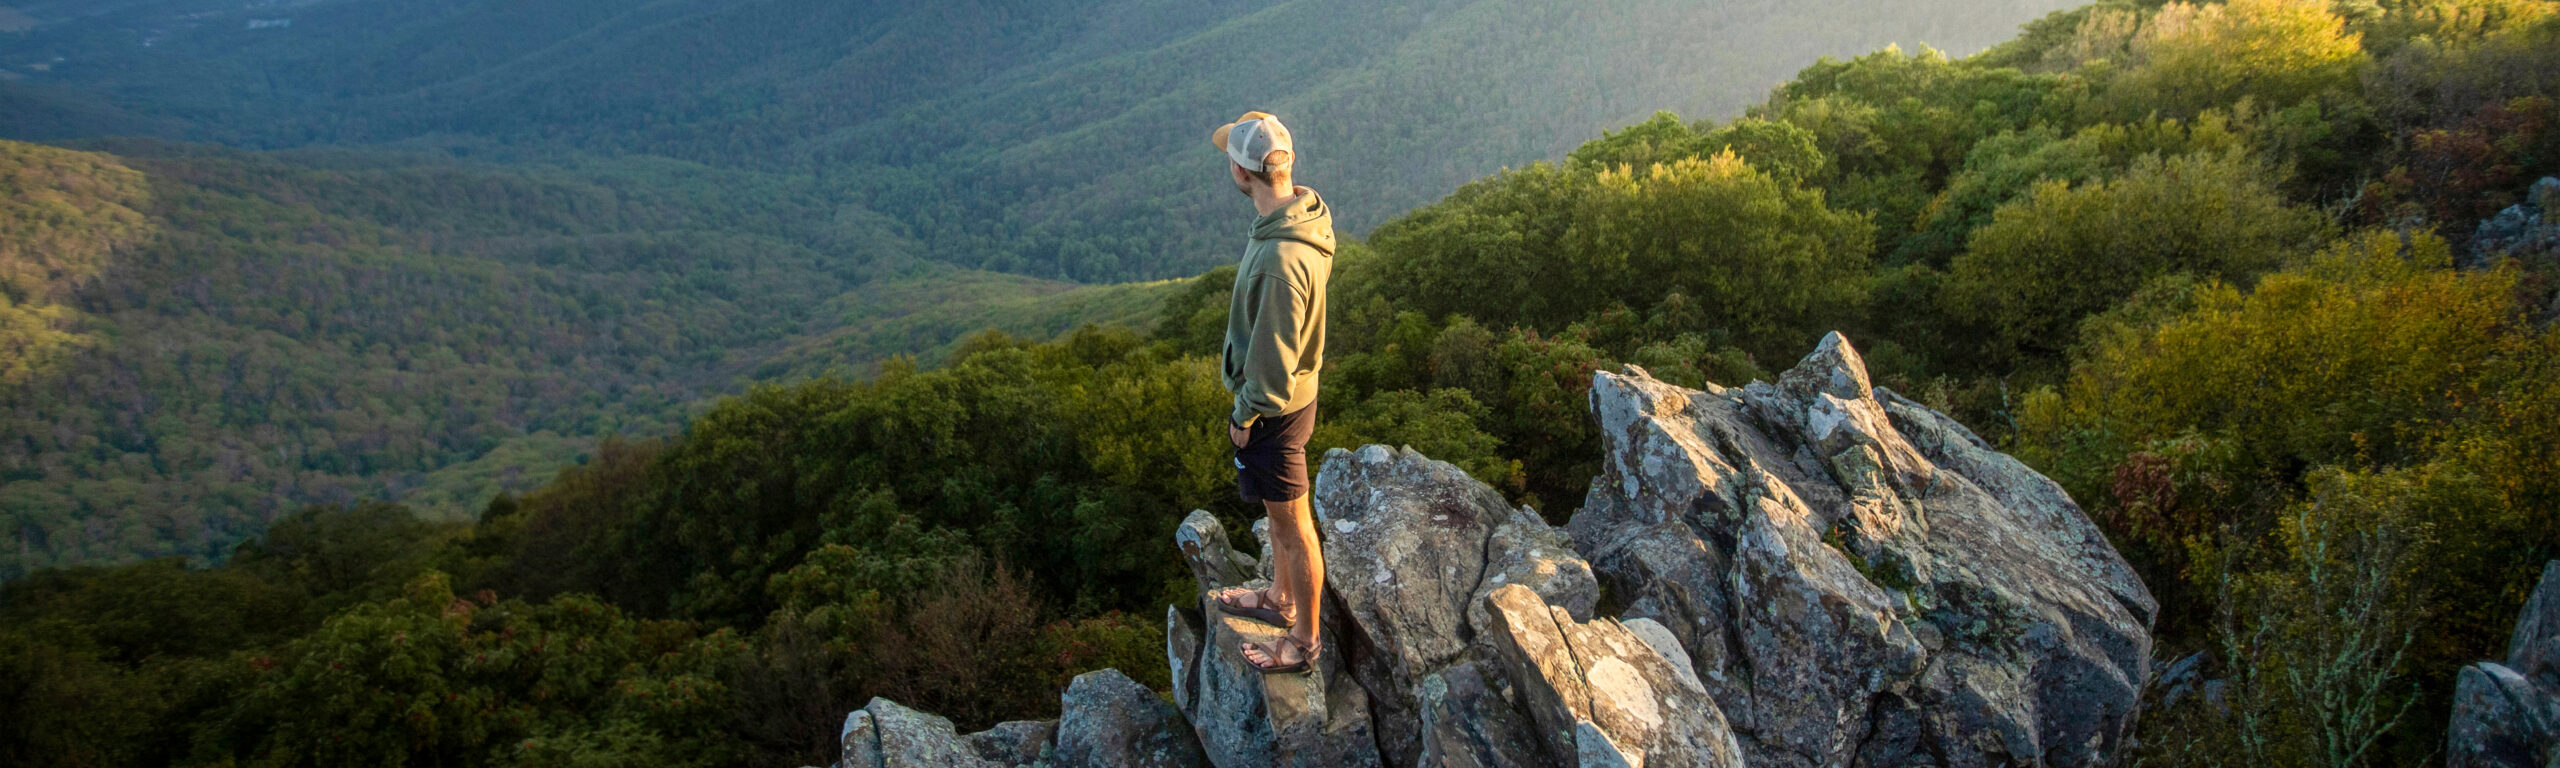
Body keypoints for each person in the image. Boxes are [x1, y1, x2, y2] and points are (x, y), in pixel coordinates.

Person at [1203, 110, 1334, 675]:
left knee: (1293, 524)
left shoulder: (1280, 260)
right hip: (1297, 395)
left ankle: (1304, 641)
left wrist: (1244, 416)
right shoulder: (1301, 215)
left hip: (1274, 412)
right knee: (1282, 519)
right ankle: (1280, 598)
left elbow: (1272, 369)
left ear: (1242, 172)